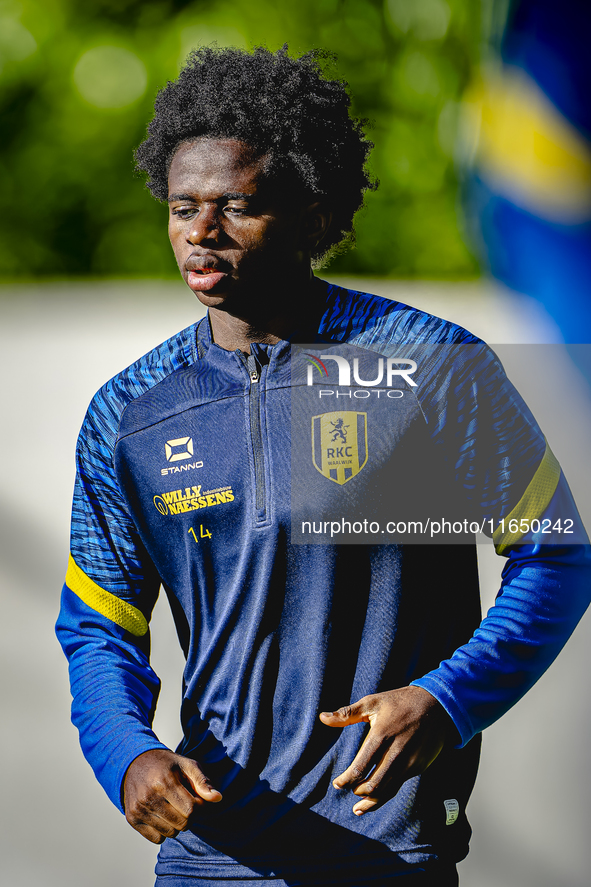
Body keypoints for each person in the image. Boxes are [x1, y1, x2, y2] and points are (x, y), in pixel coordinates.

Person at [56, 46, 591, 886]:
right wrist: (126, 753)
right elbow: (99, 624)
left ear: (313, 214)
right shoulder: (129, 411)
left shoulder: (429, 365)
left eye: (236, 206)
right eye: (182, 206)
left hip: (388, 847)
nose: (201, 232)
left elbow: (555, 554)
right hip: (212, 853)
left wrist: (448, 699)